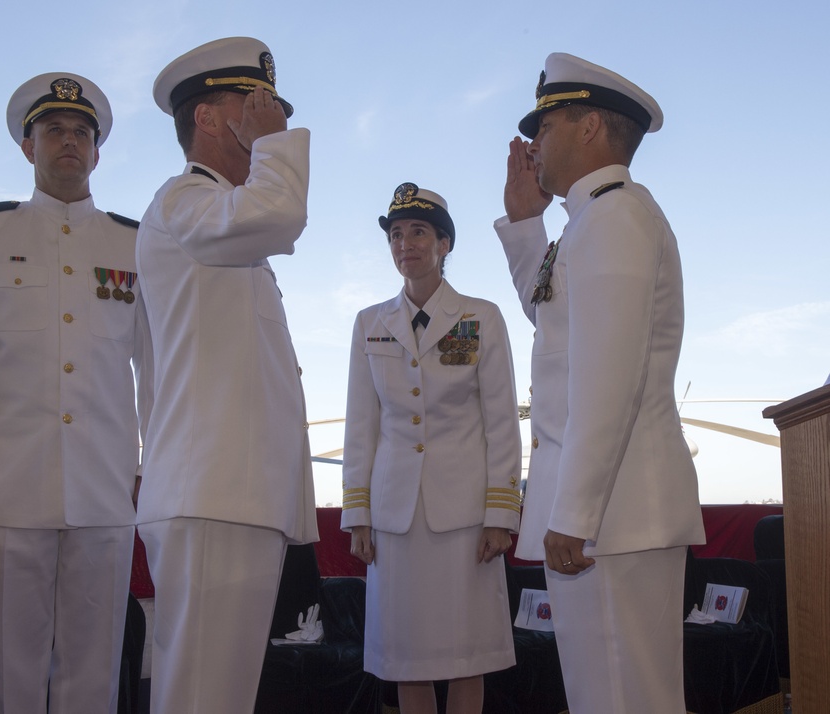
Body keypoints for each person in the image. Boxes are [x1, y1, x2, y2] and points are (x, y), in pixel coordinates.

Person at [0, 72, 151, 714]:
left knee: (94, 669)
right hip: (7, 484)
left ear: (98, 153)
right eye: (54, 131)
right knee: (9, 671)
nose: (69, 141)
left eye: (81, 132)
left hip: (107, 485)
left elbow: (153, 365)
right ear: (29, 147)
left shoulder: (134, 243)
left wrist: (151, 464)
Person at [493, 53, 706, 713]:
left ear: (588, 128)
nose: (534, 144)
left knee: (623, 698)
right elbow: (552, 317)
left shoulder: (615, 219)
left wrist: (575, 515)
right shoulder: (591, 222)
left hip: (612, 516)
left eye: (545, 125)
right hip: (607, 515)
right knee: (604, 697)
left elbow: (608, 379)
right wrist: (526, 225)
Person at [134, 37, 319, 713]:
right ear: (208, 119)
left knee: (222, 696)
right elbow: (279, 214)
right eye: (255, 104)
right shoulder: (185, 200)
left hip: (235, 496)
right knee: (203, 698)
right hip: (210, 494)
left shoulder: (224, 223)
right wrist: (277, 146)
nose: (272, 116)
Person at [342, 184, 522, 714]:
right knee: (406, 657)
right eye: (396, 234)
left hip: (465, 517)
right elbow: (361, 425)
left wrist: (500, 514)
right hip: (395, 518)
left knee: (468, 655)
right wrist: (358, 514)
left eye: (418, 232)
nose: (405, 244)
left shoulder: (481, 317)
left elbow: (501, 423)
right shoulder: (370, 323)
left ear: (444, 243)